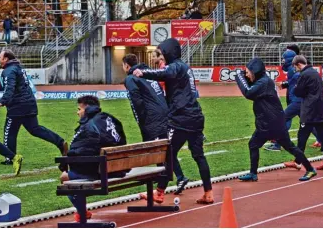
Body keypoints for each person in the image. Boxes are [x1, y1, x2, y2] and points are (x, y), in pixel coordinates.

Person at [133, 38, 213, 204]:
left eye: (162, 53)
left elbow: (164, 73)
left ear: (169, 52)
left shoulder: (176, 66)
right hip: (195, 116)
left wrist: (143, 73)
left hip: (180, 118)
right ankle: (208, 192)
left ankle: (159, 192)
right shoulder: (185, 67)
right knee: (199, 156)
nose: (160, 56)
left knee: (167, 154)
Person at [235, 57, 317, 182]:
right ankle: (310, 168)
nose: (246, 74)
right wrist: (244, 76)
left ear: (254, 71)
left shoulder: (264, 82)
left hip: (270, 123)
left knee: (255, 144)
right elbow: (251, 87)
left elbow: (248, 93)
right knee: (287, 146)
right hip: (272, 121)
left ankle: (253, 173)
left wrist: (239, 76)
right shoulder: (263, 81)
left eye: (248, 72)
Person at [60, 96, 127, 222]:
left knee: (65, 178)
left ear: (86, 109)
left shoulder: (89, 126)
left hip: (103, 171)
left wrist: (67, 161)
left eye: (79, 109)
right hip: (120, 168)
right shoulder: (109, 118)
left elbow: (83, 151)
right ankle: (82, 212)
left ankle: (82, 212)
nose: (77, 112)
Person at [0, 49, 66, 165]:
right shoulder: (18, 68)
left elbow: (10, 88)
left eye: (0, 57)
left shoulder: (9, 71)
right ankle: (60, 143)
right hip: (29, 103)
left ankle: (10, 158)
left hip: (17, 106)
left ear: (6, 59)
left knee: (10, 132)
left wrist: (2, 101)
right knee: (35, 129)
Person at [122, 54, 173, 201]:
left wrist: (142, 121)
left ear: (126, 65)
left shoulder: (131, 79)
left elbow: (136, 101)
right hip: (164, 114)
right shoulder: (149, 73)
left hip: (152, 119)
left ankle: (159, 190)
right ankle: (161, 190)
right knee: (164, 152)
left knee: (160, 154)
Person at [264, 49, 321, 151]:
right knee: (307, 123)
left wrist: (286, 84)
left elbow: (297, 81)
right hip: (299, 101)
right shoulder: (294, 69)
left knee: (282, 119)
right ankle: (322, 141)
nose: (283, 61)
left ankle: (277, 144)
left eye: (284, 59)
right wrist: (285, 84)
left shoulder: (292, 69)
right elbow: (294, 81)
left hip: (296, 101)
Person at [284, 55, 323, 171]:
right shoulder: (314, 72)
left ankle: (298, 162)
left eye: (295, 67)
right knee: (322, 135)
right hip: (320, 109)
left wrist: (298, 89)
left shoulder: (304, 75)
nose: (295, 69)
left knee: (302, 136)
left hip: (310, 110)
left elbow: (298, 92)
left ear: (298, 64)